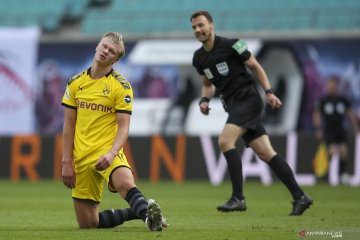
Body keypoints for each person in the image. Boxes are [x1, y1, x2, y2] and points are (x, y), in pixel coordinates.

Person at [190, 11, 312, 216]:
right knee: (266, 153)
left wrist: (269, 92)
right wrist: (204, 100)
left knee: (225, 141)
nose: (198, 30)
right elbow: (208, 84)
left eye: (201, 25)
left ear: (211, 25)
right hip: (232, 104)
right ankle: (300, 197)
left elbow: (255, 66)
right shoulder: (199, 58)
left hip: (248, 99)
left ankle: (238, 198)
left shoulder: (233, 45)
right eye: (194, 27)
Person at [61, 32, 168, 230]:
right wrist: (66, 160)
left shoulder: (121, 86)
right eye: (104, 46)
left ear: (116, 59)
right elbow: (68, 126)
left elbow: (124, 126)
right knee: (88, 224)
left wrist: (111, 153)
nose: (106, 52)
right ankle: (137, 211)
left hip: (107, 150)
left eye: (111, 51)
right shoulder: (75, 83)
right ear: (97, 46)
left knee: (125, 183)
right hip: (81, 157)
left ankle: (149, 219)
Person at [313, 75, 359, 184]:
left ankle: (342, 175)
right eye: (329, 85)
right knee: (332, 151)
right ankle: (323, 174)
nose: (331, 87)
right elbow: (317, 114)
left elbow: (351, 113)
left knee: (344, 151)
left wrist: (356, 125)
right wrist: (318, 128)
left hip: (340, 129)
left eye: (333, 85)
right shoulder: (324, 100)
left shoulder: (342, 99)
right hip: (329, 130)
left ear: (337, 86)